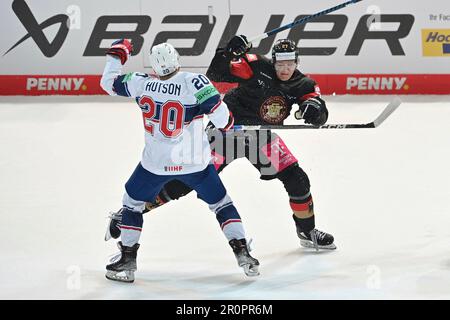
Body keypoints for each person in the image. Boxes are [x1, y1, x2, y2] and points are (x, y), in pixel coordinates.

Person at [106, 36, 336, 251]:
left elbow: (319, 112)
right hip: (225, 133)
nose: (285, 69)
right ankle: (127, 214)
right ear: (273, 61)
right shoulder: (256, 66)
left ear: (297, 62)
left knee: (297, 179)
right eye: (280, 64)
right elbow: (216, 73)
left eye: (290, 64)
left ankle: (307, 232)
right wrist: (227, 51)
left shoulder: (303, 84)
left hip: (260, 136)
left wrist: (314, 111)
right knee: (182, 184)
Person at [100, 39, 260, 282]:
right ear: (176, 59)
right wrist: (226, 125)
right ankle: (242, 251)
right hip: (195, 163)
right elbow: (222, 119)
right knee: (221, 204)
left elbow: (108, 83)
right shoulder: (193, 81)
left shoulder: (141, 82)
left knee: (132, 204)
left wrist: (117, 53)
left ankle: (128, 259)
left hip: (155, 164)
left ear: (154, 65)